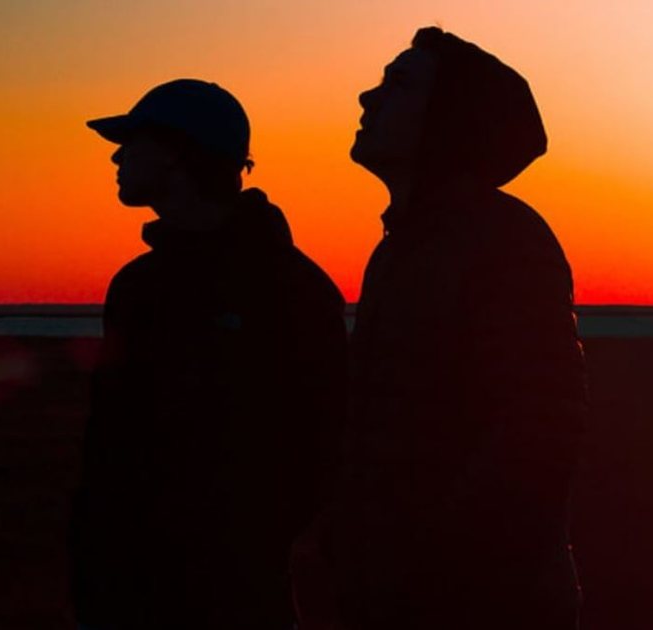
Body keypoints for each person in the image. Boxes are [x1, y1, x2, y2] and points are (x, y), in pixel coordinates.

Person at [326, 27, 589, 630]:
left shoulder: (503, 240)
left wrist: (439, 563)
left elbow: (540, 429)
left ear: (448, 119)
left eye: (398, 85)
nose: (368, 97)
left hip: (475, 597)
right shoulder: (401, 246)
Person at [71, 79, 348, 629]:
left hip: (253, 596)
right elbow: (110, 448)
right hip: (137, 589)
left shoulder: (292, 289)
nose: (117, 157)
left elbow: (326, 450)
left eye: (132, 143)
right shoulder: (137, 286)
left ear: (176, 153)